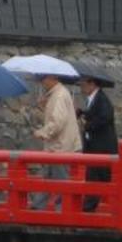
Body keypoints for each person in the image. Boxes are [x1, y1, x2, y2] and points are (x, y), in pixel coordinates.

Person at [31, 74, 82, 211]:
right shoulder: (58, 94)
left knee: (59, 180)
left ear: (52, 78)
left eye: (44, 79)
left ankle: (62, 210)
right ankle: (38, 206)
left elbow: (57, 122)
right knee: (48, 177)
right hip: (58, 145)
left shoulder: (59, 95)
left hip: (60, 146)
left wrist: (43, 133)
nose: (42, 82)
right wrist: (44, 106)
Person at [79, 70, 118, 212]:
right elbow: (95, 114)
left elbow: (105, 117)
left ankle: (89, 207)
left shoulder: (101, 99)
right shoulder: (94, 99)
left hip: (101, 146)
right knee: (95, 176)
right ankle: (90, 206)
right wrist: (82, 113)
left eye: (84, 84)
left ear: (92, 84)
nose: (81, 87)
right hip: (94, 146)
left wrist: (88, 124)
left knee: (98, 176)